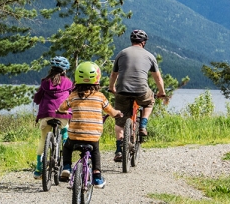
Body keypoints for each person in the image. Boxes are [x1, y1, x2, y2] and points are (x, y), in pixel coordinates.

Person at [58, 61, 122, 189]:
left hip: (75, 135)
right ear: (97, 79)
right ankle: (97, 178)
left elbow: (61, 107)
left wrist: (61, 110)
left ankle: (66, 168)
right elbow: (111, 111)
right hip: (93, 136)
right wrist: (117, 113)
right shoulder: (100, 97)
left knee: (67, 147)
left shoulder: (73, 96)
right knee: (95, 151)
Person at [108, 29, 166, 162]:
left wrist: (112, 88)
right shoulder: (150, 56)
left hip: (122, 90)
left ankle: (118, 150)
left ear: (131, 41)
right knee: (149, 102)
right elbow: (157, 77)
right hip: (141, 91)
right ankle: (143, 125)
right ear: (143, 42)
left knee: (120, 120)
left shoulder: (121, 53)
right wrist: (161, 92)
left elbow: (113, 75)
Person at [33, 56, 73, 179]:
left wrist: (37, 99)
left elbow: (37, 98)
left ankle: (39, 169)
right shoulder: (69, 83)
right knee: (65, 133)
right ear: (64, 71)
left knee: (43, 139)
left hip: (46, 114)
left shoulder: (45, 82)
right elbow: (72, 98)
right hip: (62, 114)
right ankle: (66, 165)